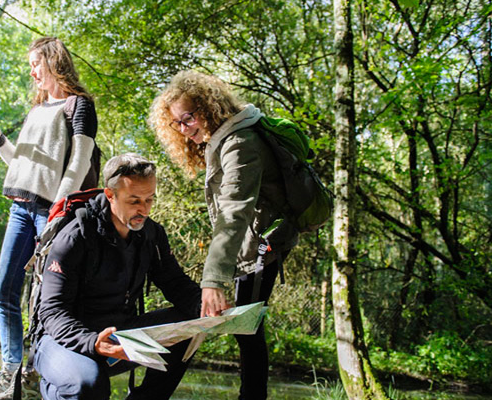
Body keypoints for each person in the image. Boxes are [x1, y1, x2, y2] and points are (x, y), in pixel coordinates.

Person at [149, 70, 299, 400]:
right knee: (246, 328)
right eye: (177, 123)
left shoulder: (240, 144)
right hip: (248, 245)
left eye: (189, 117)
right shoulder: (223, 140)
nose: (185, 128)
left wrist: (213, 280)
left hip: (262, 247)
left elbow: (233, 213)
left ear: (210, 106)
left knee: (248, 328)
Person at [0, 37, 98, 400]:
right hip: (20, 209)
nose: (32, 71)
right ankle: (9, 377)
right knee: (3, 291)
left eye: (35, 64)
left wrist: (59, 211)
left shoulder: (79, 106)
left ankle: (45, 379)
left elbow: (79, 163)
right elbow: (21, 168)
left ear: (53, 61)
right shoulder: (37, 109)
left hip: (51, 213)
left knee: (45, 302)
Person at [33, 153, 202, 400]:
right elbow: (51, 312)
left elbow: (174, 282)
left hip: (118, 333)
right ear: (110, 195)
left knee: (189, 324)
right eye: (134, 200)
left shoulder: (152, 234)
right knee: (88, 385)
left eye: (149, 199)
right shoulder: (74, 238)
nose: (143, 209)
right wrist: (92, 342)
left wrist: (205, 306)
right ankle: (52, 387)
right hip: (62, 339)